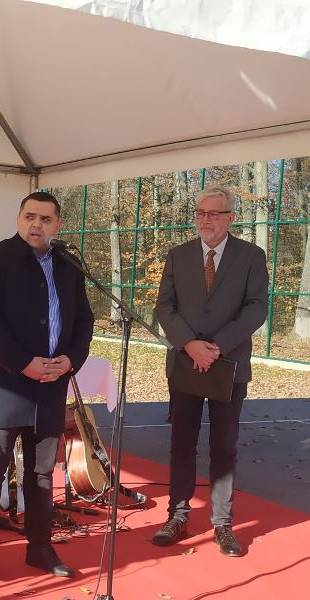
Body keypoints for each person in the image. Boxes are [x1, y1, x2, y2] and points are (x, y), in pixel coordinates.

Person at [0, 191, 94, 588]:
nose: (36, 224)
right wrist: (24, 362)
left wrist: (70, 360)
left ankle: (40, 547)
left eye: (45, 219)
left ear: (57, 224)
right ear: (19, 219)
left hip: (51, 384)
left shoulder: (69, 264)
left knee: (40, 473)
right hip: (5, 381)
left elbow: (84, 321)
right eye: (29, 216)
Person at [153, 186, 269, 557]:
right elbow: (164, 308)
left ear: (230, 217)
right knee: (182, 443)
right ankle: (177, 515)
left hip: (228, 363)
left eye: (214, 213)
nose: (205, 219)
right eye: (201, 212)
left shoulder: (251, 256)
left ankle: (222, 523)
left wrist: (216, 347)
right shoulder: (178, 255)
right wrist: (190, 344)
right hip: (186, 362)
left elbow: (256, 308)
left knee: (224, 446)